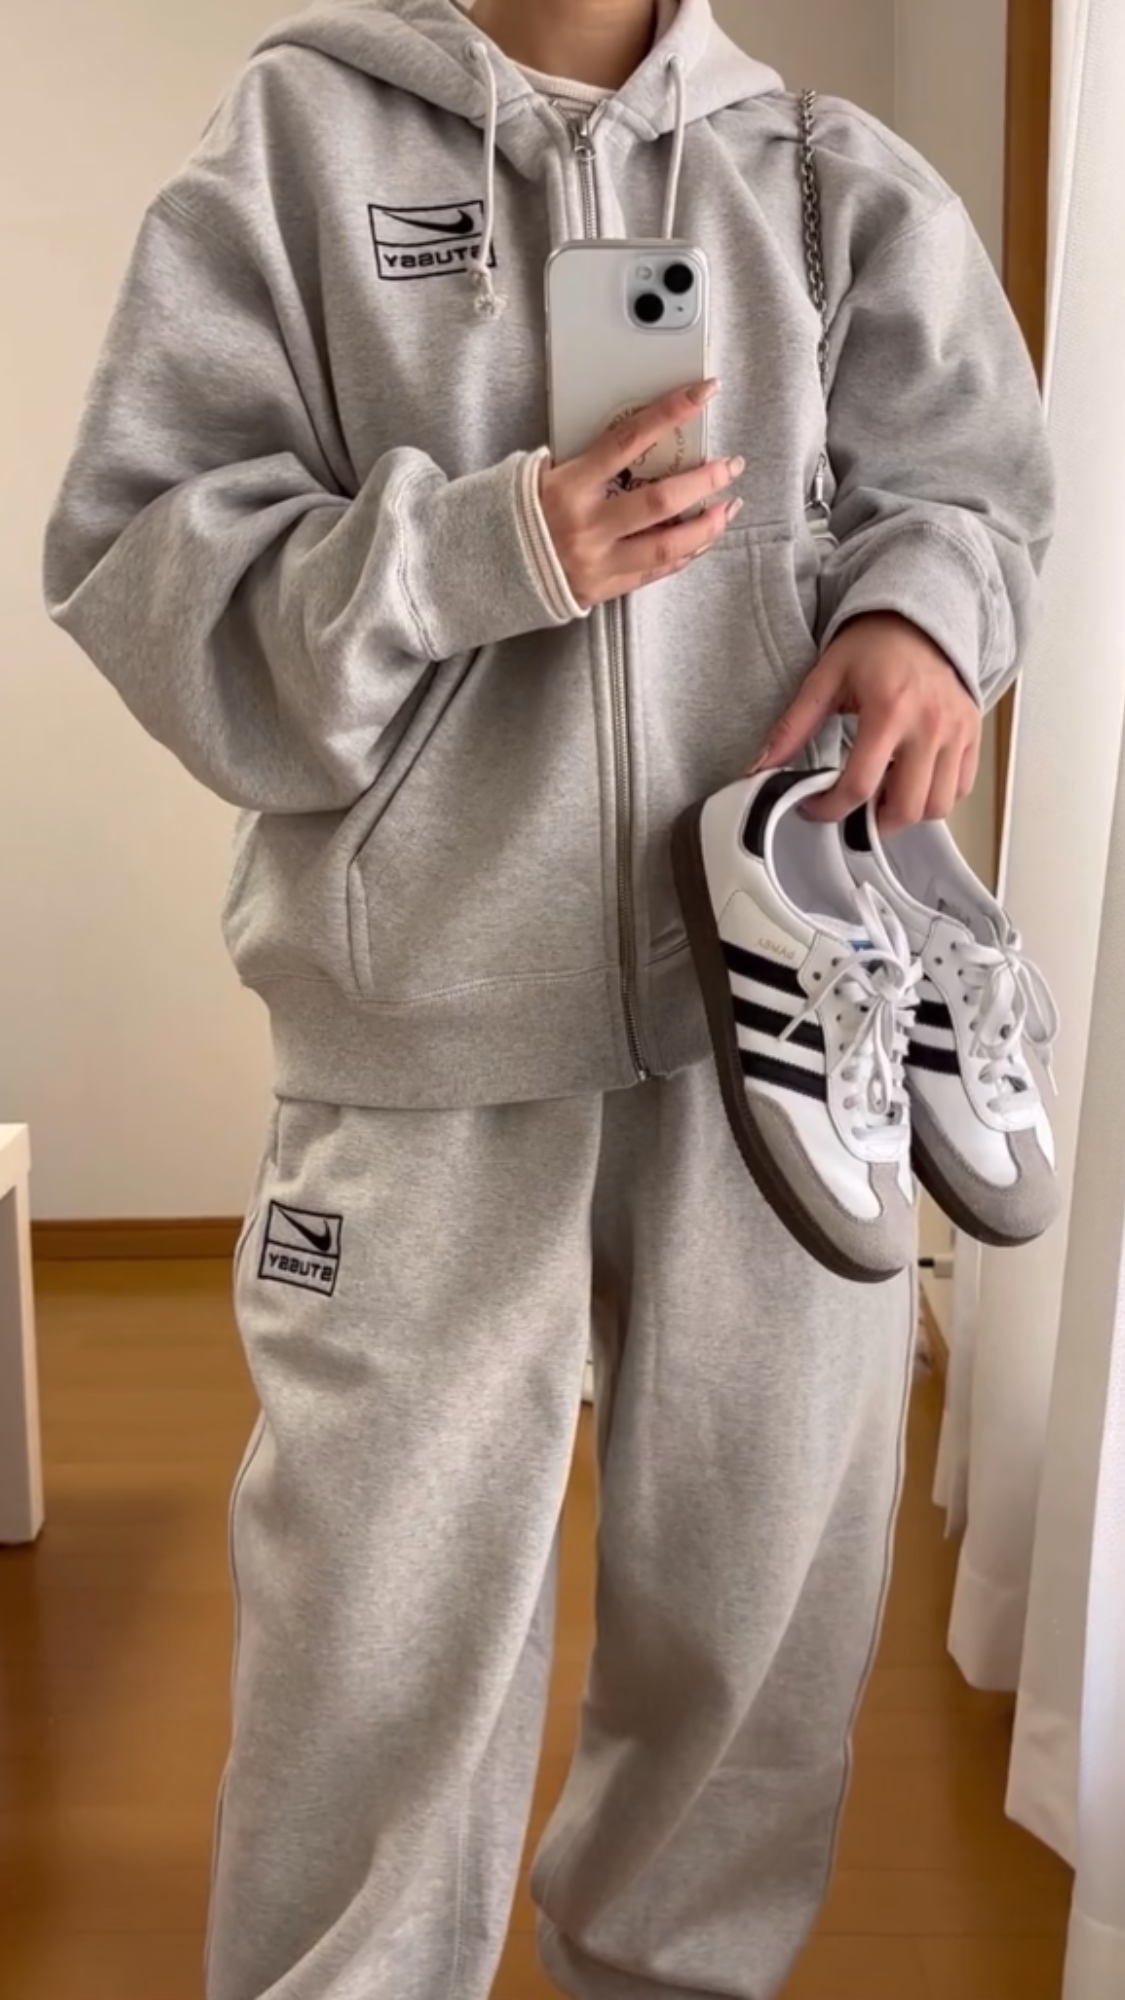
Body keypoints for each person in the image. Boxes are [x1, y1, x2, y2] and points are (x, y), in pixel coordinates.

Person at [44, 1, 1053, 1996]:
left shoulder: (822, 176)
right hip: (419, 1032)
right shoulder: (299, 149)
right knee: (372, 1646)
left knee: (757, 1623)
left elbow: (971, 489)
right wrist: (473, 548)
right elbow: (143, 560)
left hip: (784, 1044)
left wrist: (920, 621)